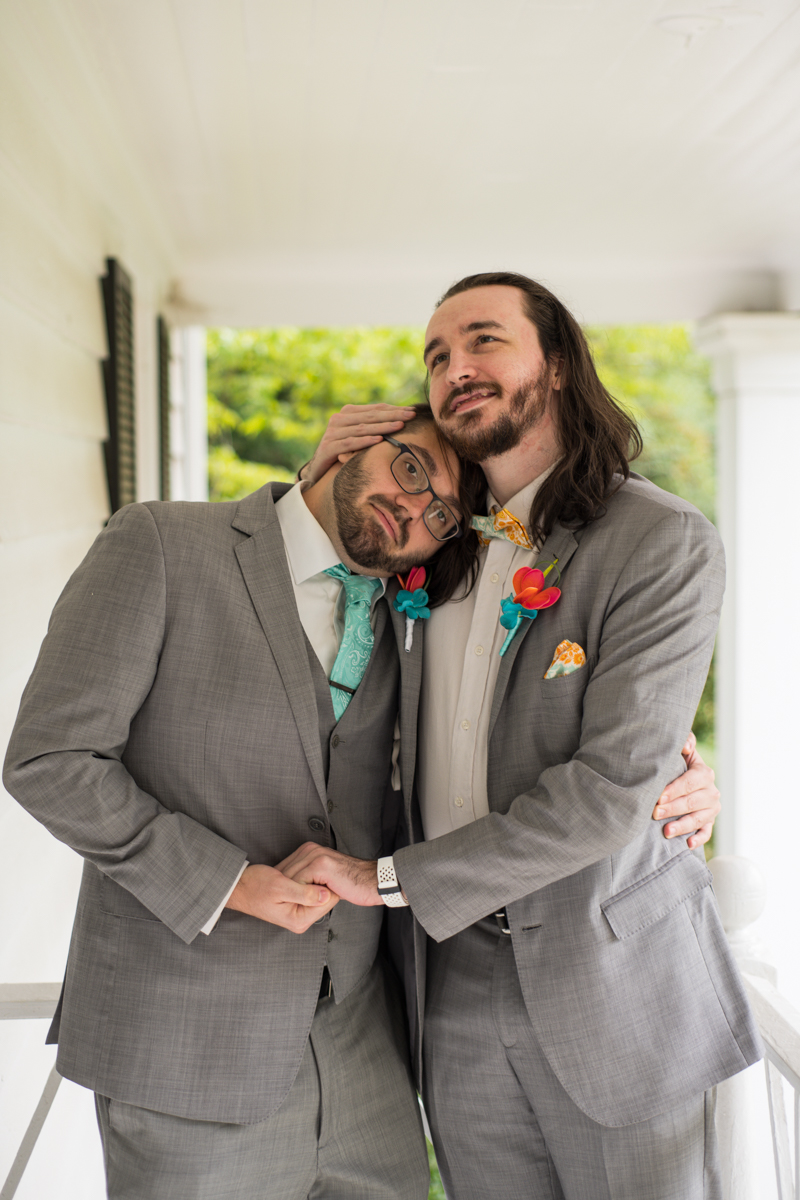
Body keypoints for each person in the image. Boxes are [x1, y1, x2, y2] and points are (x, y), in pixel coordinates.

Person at [283, 272, 762, 1200]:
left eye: (482, 340)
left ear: (556, 361)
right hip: (451, 988)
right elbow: (297, 610)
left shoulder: (661, 541)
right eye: (435, 356)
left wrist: (385, 881)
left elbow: (611, 789)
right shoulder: (422, 546)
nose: (454, 368)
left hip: (616, 986)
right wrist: (315, 478)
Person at [3, 406, 479, 1200]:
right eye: (411, 468)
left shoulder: (413, 617)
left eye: (441, 513)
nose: (414, 506)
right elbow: (52, 759)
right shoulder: (159, 544)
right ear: (357, 441)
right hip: (187, 1048)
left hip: (365, 1051)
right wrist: (229, 881)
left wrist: (662, 763)